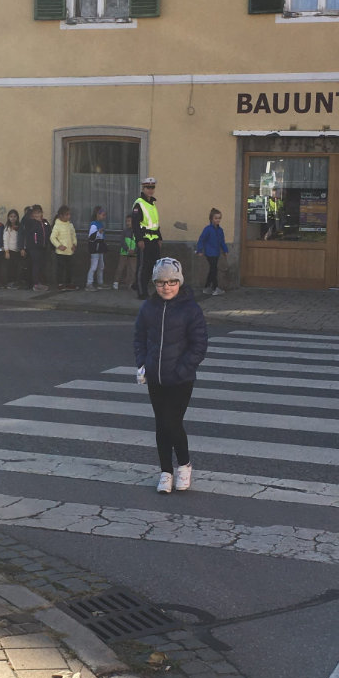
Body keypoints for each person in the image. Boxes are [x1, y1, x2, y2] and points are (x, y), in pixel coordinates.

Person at [133, 256, 208, 493]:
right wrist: (143, 363)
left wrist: (182, 369)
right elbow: (139, 338)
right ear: (155, 283)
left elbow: (199, 345)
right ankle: (166, 471)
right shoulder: (148, 308)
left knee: (172, 422)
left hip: (180, 379)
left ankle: (184, 464)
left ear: (179, 282)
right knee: (161, 424)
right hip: (155, 377)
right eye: (161, 282)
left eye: (172, 282)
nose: (166, 287)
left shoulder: (191, 309)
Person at [131, 176, 162, 299]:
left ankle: (139, 284)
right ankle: (141, 292)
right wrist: (139, 240)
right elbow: (135, 224)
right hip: (144, 240)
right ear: (143, 188)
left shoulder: (152, 204)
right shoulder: (139, 204)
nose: (150, 190)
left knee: (154, 267)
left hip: (154, 240)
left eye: (152, 187)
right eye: (148, 187)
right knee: (143, 267)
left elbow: (155, 223)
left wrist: (159, 238)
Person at [195, 208, 229, 296]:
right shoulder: (208, 229)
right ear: (211, 218)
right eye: (216, 218)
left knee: (212, 270)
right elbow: (201, 239)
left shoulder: (220, 230)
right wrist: (199, 250)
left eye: (219, 218)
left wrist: (225, 250)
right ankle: (215, 288)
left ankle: (207, 287)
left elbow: (222, 241)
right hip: (209, 253)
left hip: (216, 253)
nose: (218, 220)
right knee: (214, 270)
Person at [51, 204, 78, 289]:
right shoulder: (57, 225)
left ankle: (69, 283)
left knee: (69, 268)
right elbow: (52, 237)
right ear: (61, 216)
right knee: (60, 268)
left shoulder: (70, 225)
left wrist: (74, 244)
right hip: (61, 252)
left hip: (70, 251)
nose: (69, 216)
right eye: (66, 214)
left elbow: (73, 235)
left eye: (69, 214)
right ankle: (60, 284)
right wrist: (59, 246)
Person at [24, 204, 50, 292]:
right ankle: (35, 284)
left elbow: (49, 233)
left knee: (42, 265)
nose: (37, 215)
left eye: (39, 212)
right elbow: (25, 220)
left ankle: (40, 282)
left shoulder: (45, 222)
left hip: (43, 247)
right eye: (35, 213)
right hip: (34, 248)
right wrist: (30, 209)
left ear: (42, 213)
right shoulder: (30, 222)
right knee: (36, 265)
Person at [86, 206, 107, 289]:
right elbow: (91, 237)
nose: (104, 217)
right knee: (94, 266)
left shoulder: (100, 224)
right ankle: (89, 283)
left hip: (100, 247)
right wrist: (98, 232)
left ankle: (100, 282)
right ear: (98, 214)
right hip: (95, 248)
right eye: (103, 215)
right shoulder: (94, 225)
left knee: (101, 266)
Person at [114, 224, 137, 291]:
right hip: (124, 252)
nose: (127, 223)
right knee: (120, 267)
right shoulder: (124, 231)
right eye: (127, 221)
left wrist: (135, 250)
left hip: (133, 254)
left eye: (129, 221)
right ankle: (116, 282)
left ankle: (131, 283)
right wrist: (127, 249)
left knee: (133, 269)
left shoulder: (138, 232)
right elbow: (122, 241)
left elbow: (139, 243)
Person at [3, 208, 21, 288]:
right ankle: (9, 283)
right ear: (8, 218)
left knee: (16, 267)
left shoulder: (19, 227)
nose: (13, 218)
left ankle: (15, 282)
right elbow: (5, 240)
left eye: (14, 216)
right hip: (10, 251)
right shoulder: (7, 228)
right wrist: (6, 251)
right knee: (10, 267)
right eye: (11, 216)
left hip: (17, 250)